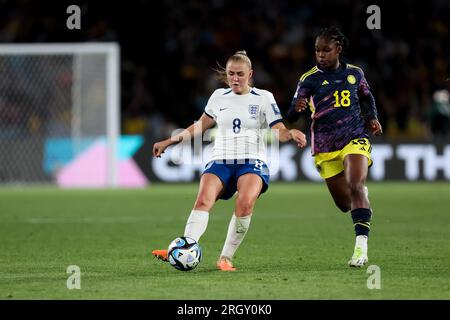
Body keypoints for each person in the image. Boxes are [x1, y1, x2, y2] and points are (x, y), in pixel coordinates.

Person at [152, 51, 307, 271]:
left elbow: (278, 129)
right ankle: (182, 250)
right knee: (204, 200)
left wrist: (290, 133)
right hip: (220, 159)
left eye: (240, 74)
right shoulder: (218, 97)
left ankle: (225, 257)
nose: (235, 78)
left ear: (250, 74)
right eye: (231, 74)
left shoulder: (263, 97)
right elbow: (199, 126)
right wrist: (169, 141)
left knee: (244, 203)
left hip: (252, 160)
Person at [286, 27, 383, 267]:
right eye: (317, 50)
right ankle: (362, 205)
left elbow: (366, 97)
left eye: (326, 50)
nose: (321, 55)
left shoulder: (355, 74)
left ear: (338, 49)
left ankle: (361, 249)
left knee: (356, 184)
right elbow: (290, 115)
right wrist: (295, 109)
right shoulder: (309, 79)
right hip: (325, 145)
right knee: (344, 204)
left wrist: (372, 118)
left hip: (354, 137)